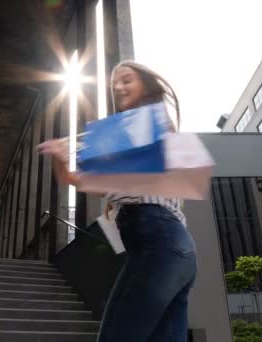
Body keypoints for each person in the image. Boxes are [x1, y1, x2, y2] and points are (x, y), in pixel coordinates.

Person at [37, 61, 197, 342]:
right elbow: (76, 180)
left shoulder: (150, 126)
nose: (118, 87)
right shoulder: (131, 133)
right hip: (173, 249)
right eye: (115, 84)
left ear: (146, 86)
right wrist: (61, 158)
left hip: (159, 240)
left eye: (126, 80)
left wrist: (93, 148)